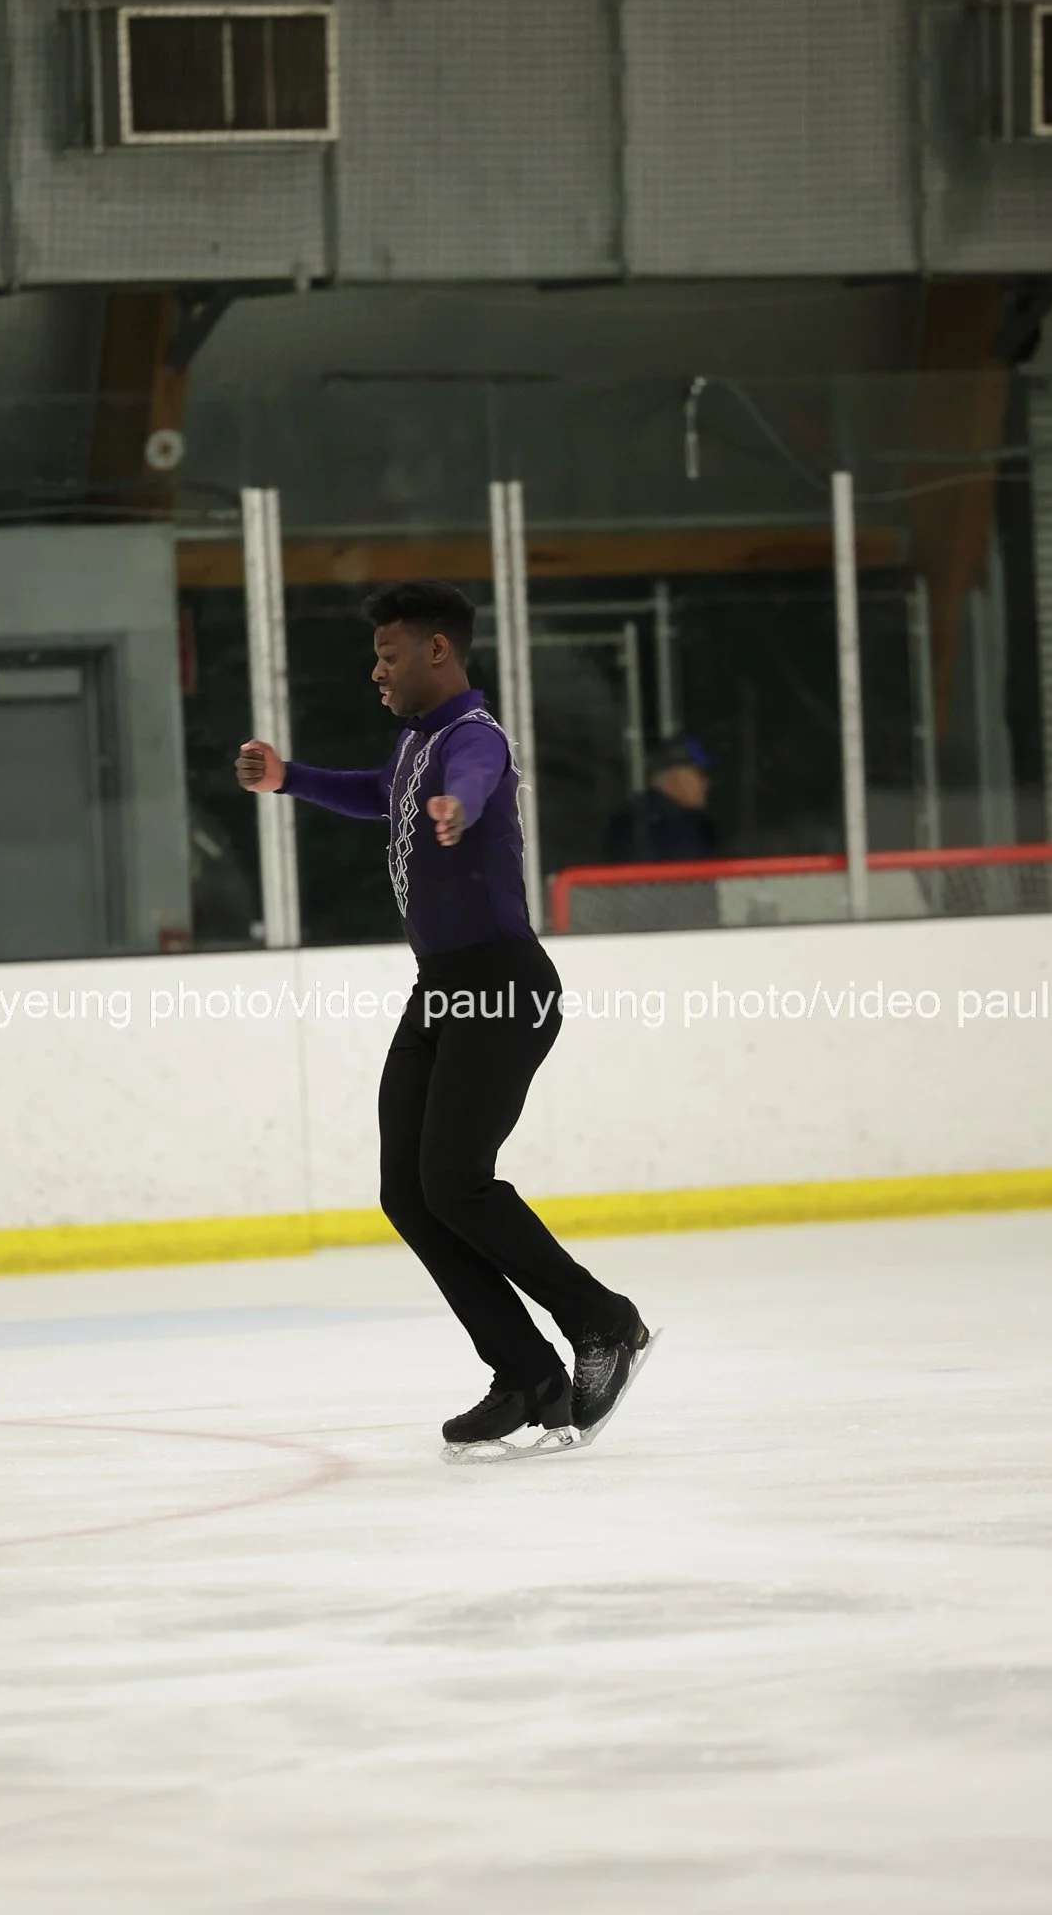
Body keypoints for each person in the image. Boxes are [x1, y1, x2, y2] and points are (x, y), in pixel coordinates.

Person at [235, 580, 652, 1456]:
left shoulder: (472, 737)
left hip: (502, 986)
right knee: (409, 1191)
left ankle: (604, 1321)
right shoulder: (414, 745)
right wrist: (288, 779)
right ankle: (526, 1374)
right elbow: (378, 793)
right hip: (443, 988)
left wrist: (459, 805)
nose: (376, 671)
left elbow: (476, 775)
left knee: (455, 1181)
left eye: (388, 655)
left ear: (437, 651)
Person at [606, 735, 717, 865]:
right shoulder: (647, 822)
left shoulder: (633, 815)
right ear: (676, 775)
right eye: (700, 774)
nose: (706, 783)